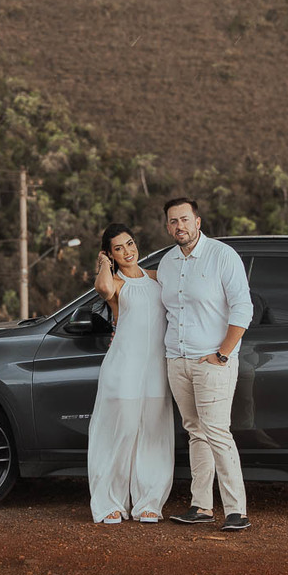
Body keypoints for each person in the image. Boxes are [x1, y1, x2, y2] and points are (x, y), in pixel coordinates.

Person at [158, 197, 254, 532]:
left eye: (184, 219)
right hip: (177, 360)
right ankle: (200, 506)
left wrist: (223, 353)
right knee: (195, 432)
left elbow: (243, 308)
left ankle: (236, 511)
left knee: (216, 432)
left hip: (213, 361)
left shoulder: (222, 256)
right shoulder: (168, 263)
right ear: (167, 226)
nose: (179, 226)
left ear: (198, 221)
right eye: (172, 221)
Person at [87, 223, 175, 524]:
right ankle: (109, 501)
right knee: (120, 433)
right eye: (118, 248)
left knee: (154, 434)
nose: (128, 251)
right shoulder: (115, 283)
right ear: (111, 254)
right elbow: (103, 289)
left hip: (156, 368)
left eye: (130, 243)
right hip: (124, 367)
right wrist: (103, 264)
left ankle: (149, 501)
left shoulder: (154, 278)